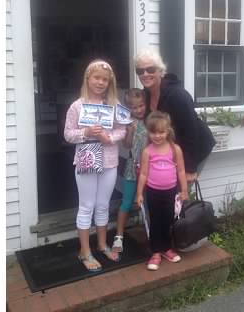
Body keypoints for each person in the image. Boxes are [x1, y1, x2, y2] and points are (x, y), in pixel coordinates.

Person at [64, 59, 126, 272]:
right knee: (86, 205)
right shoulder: (77, 106)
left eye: (105, 79)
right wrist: (86, 132)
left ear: (110, 82)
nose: (100, 82)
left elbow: (122, 129)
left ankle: (101, 244)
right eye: (96, 78)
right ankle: (85, 251)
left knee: (103, 204)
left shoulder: (114, 105)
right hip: (87, 158)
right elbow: (68, 134)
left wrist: (110, 137)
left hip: (109, 160)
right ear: (88, 78)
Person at [134, 47, 216, 183]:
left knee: (178, 190)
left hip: (195, 147)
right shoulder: (146, 94)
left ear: (160, 70)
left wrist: (190, 168)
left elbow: (191, 131)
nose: (145, 74)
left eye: (150, 69)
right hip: (171, 150)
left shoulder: (177, 95)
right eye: (140, 71)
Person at [135, 111, 188, 271]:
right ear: (148, 132)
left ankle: (166, 248)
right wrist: (139, 193)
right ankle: (155, 252)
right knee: (155, 222)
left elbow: (181, 171)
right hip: (153, 192)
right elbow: (143, 174)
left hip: (171, 192)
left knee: (168, 220)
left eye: (161, 132)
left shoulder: (175, 149)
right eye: (153, 132)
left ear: (168, 131)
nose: (157, 136)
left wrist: (184, 190)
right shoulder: (147, 151)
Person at [111, 88, 148, 254]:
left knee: (148, 201)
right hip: (133, 167)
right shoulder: (128, 123)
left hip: (150, 168)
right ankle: (119, 236)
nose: (139, 110)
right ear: (128, 108)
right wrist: (130, 131)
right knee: (126, 202)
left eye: (141, 105)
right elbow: (126, 145)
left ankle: (152, 232)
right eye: (134, 107)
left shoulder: (150, 120)